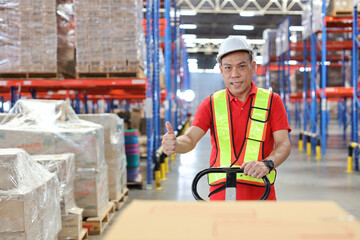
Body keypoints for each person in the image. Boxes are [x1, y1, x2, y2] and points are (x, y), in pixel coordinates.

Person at [162, 36, 291, 200]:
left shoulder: (272, 101)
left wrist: (267, 164)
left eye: (242, 66)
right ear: (221, 70)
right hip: (221, 194)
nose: (235, 74)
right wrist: (176, 144)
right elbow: (190, 139)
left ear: (253, 67)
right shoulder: (211, 103)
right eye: (228, 68)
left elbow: (283, 144)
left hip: (261, 193)